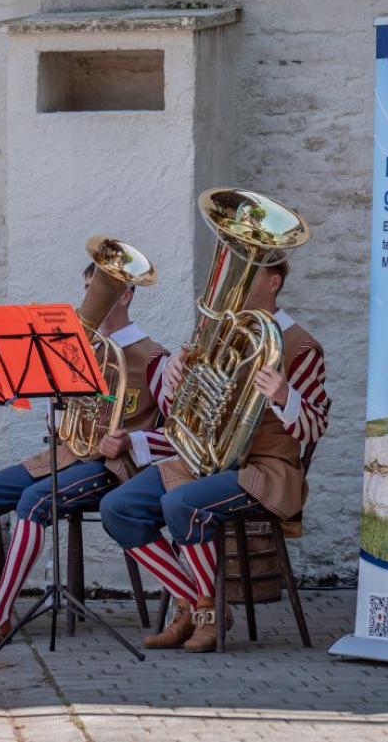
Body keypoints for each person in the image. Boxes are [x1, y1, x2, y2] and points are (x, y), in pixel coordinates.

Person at [100, 256, 329, 653]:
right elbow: (181, 414)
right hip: (208, 461)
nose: (236, 280)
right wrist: (175, 378)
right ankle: (190, 601)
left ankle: (208, 613)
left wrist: (283, 395)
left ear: (273, 282)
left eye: (250, 272)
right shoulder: (221, 334)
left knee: (181, 504)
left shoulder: (302, 347)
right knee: (117, 508)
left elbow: (315, 426)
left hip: (264, 471)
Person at [0, 261, 170, 650]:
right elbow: (60, 423)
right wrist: (54, 398)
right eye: (87, 288)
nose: (89, 298)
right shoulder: (79, 351)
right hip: (66, 455)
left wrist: (132, 441)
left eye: (100, 289)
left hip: (111, 467)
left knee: (33, 500)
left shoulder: (154, 358)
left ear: (127, 295)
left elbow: (178, 434)